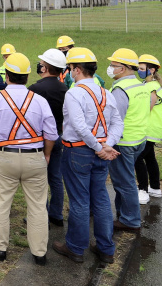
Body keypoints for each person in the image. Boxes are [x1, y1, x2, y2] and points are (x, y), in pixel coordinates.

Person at [0, 52, 58, 265]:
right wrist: (47, 153)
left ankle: (0, 249)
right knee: (37, 206)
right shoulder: (40, 100)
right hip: (35, 158)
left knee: (1, 203)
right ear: (27, 77)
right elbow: (51, 134)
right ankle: (39, 252)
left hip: (5, 158)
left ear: (6, 76)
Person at [52, 47, 123, 265]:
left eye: (71, 68)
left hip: (79, 152)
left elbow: (79, 125)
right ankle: (106, 248)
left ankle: (75, 247)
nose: (70, 72)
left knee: (80, 200)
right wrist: (106, 145)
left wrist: (99, 147)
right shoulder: (106, 92)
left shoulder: (74, 92)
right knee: (100, 198)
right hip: (100, 154)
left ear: (77, 70)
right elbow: (117, 122)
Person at [106, 48, 149, 232]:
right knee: (125, 180)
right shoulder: (140, 86)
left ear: (122, 68)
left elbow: (115, 120)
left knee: (125, 182)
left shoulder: (120, 90)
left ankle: (130, 220)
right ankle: (123, 214)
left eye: (113, 65)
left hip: (124, 143)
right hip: (139, 139)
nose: (109, 68)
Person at [29, 48, 69, 227]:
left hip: (39, 139)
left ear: (44, 68)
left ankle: (40, 214)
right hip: (59, 136)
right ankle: (56, 214)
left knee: (39, 179)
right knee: (55, 177)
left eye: (42, 64)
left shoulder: (35, 89)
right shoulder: (65, 88)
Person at [135, 54, 162, 202]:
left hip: (149, 130)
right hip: (155, 130)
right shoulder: (153, 85)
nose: (139, 71)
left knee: (138, 158)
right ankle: (155, 188)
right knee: (150, 157)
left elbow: (148, 107)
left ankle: (142, 190)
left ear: (152, 70)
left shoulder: (151, 86)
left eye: (142, 68)